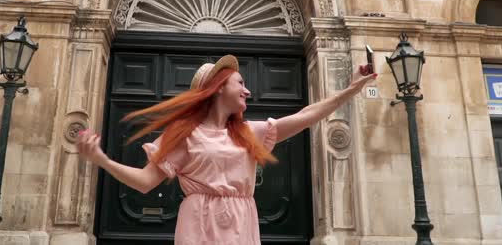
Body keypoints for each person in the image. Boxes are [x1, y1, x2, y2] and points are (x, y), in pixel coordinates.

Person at [76, 54, 376, 245]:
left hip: (240, 222)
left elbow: (305, 116)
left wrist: (351, 89)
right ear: (219, 87)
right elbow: (144, 182)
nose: (248, 90)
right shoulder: (185, 135)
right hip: (199, 224)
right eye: (240, 82)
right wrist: (101, 159)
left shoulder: (249, 133)